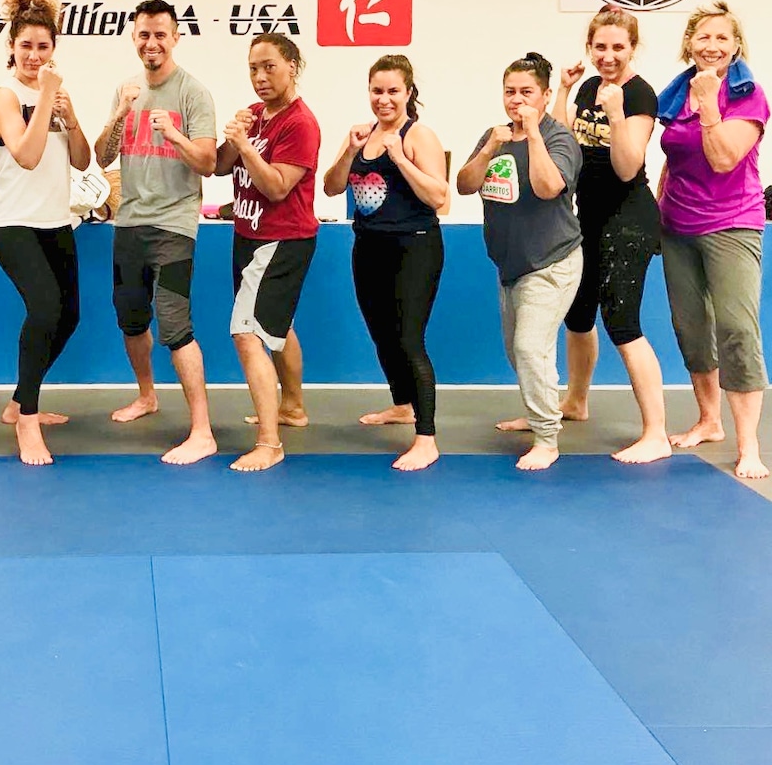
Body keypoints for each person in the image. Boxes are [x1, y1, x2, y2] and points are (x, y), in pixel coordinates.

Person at [497, 6, 668, 463]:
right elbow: (563, 142)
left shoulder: (639, 94)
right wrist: (566, 90)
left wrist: (616, 114)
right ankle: (574, 401)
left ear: (633, 48)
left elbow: (627, 167)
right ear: (589, 47)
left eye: (618, 47)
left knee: (623, 324)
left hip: (627, 221)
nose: (608, 55)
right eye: (600, 47)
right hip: (586, 217)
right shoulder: (591, 86)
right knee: (577, 317)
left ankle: (656, 433)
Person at [94, 0, 218, 465]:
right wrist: (119, 115)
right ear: (134, 38)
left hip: (174, 226)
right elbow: (101, 158)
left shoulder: (193, 93)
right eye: (144, 34)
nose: (152, 43)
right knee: (130, 318)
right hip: (129, 223)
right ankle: (147, 395)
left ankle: (202, 430)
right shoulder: (126, 90)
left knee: (175, 323)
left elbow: (208, 162)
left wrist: (176, 135)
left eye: (160, 35)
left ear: (175, 38)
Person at [656, 1, 768, 479]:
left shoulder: (748, 95)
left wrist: (707, 104)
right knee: (691, 327)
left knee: (737, 330)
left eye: (723, 37)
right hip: (677, 225)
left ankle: (748, 445)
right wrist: (657, 208)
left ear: (736, 46)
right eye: (704, 36)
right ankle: (708, 420)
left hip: (732, 223)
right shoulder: (674, 94)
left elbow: (723, 158)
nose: (712, 45)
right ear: (690, 44)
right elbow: (674, 158)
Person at [456, 52, 582, 471]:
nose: (517, 100)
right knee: (518, 350)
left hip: (552, 262)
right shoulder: (493, 135)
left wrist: (532, 137)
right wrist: (491, 147)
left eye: (527, 92)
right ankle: (538, 410)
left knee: (530, 347)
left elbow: (548, 188)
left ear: (545, 96)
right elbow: (464, 184)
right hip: (511, 264)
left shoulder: (559, 138)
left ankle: (547, 438)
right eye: (510, 92)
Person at [322, 54, 448, 471]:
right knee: (382, 334)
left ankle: (426, 438)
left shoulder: (418, 135)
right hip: (368, 246)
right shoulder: (361, 134)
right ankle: (403, 405)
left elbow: (438, 196)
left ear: (408, 93)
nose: (384, 99)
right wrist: (349, 151)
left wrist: (400, 159)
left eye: (393, 91)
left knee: (409, 339)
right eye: (377, 91)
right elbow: (331, 186)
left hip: (415, 247)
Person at [0, 0, 90, 466]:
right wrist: (47, 96)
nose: (34, 54)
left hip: (55, 221)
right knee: (45, 309)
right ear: (12, 46)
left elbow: (82, 160)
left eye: (42, 46)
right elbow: (26, 156)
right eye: (25, 45)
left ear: (54, 48)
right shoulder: (4, 96)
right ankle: (26, 418)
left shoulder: (57, 97)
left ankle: (18, 400)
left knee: (69, 315)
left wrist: (70, 117)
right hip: (12, 221)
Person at [217, 34, 320, 471]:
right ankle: (292, 407)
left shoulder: (300, 123)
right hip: (248, 236)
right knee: (278, 325)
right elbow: (219, 166)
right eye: (253, 68)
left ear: (292, 66)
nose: (260, 77)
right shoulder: (256, 114)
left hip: (283, 240)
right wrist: (236, 137)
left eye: (269, 66)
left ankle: (269, 443)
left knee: (248, 333)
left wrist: (245, 146)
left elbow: (277, 186)